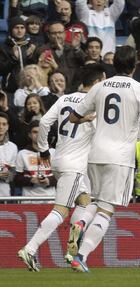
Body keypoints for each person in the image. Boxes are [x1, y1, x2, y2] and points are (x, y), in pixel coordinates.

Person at [68, 46, 140, 272]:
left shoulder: (99, 87)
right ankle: (80, 256)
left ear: (114, 64)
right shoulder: (139, 89)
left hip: (95, 154)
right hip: (120, 157)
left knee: (95, 201)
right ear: (135, 66)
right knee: (107, 210)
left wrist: (86, 119)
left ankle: (80, 222)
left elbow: (73, 116)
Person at [17, 64, 106, 272]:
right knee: (61, 210)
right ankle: (30, 249)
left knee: (84, 201)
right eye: (102, 81)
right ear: (96, 82)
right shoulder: (93, 105)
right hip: (74, 165)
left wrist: (44, 150)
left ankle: (72, 251)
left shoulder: (64, 99)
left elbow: (46, 121)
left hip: (58, 159)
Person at [14, 120, 57, 203]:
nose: (38, 135)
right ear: (29, 135)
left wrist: (49, 181)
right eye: (35, 132)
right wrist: (31, 180)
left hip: (50, 200)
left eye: (41, 132)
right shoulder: (22, 153)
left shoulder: (53, 152)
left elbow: (61, 177)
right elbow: (16, 179)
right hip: (28, 201)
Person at [0, 112, 18, 198]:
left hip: (5, 193)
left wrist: (7, 175)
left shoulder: (13, 147)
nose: (1, 127)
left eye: (4, 124)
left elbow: (14, 172)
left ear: (7, 127)